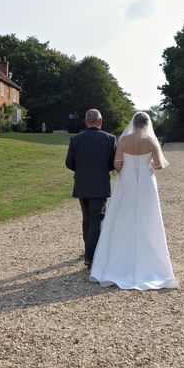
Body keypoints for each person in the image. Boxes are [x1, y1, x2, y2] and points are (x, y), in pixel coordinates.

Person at [89, 111, 179, 290]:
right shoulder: (152, 141)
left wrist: (128, 166)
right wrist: (147, 165)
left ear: (133, 124)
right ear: (146, 125)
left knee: (122, 218)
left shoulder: (123, 140)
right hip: (146, 182)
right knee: (148, 219)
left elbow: (116, 164)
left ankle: (117, 260)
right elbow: (159, 165)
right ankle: (152, 262)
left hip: (127, 180)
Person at [65, 109, 117, 268]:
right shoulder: (110, 139)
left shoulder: (76, 139)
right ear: (100, 122)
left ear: (86, 122)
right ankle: (91, 257)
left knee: (87, 216)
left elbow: (69, 163)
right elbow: (113, 163)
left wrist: (82, 171)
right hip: (100, 183)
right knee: (96, 219)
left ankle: (88, 249)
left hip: (81, 183)